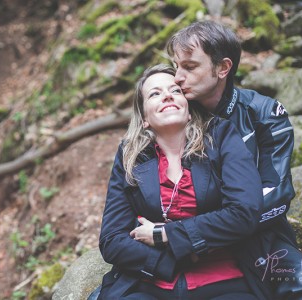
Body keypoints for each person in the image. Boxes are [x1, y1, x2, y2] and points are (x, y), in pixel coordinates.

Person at [166, 20, 302, 299]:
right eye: (176, 66)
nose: (177, 77)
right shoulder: (172, 114)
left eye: (190, 66)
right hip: (180, 240)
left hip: (260, 241)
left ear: (223, 68)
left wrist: (207, 232)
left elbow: (277, 196)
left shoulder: (264, 113)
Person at [98, 64, 264, 299]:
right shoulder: (130, 156)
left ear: (188, 109)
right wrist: (171, 260)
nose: (167, 95)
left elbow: (244, 212)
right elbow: (111, 240)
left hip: (224, 280)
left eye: (175, 90)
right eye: (154, 94)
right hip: (151, 283)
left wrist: (165, 234)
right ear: (145, 118)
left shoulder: (221, 136)